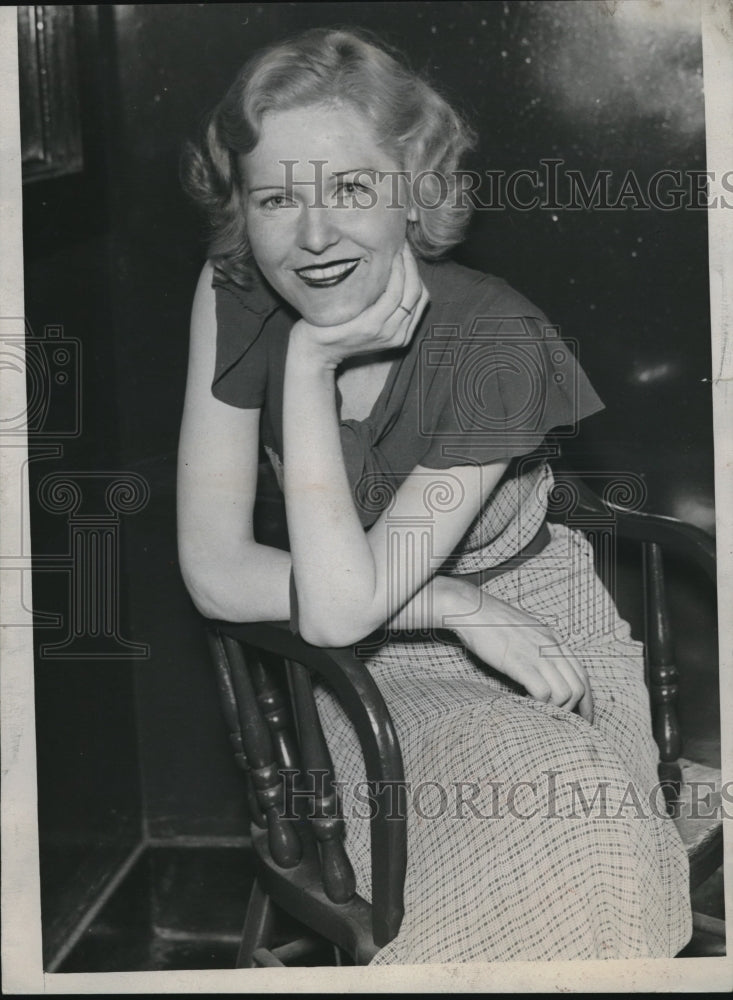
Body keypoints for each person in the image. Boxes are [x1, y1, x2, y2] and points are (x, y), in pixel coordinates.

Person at [177, 27, 692, 962]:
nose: (314, 234)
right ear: (241, 209)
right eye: (277, 198)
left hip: (542, 638)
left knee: (575, 808)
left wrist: (306, 360)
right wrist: (452, 599)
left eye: (349, 188)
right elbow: (222, 576)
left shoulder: (495, 340)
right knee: (552, 823)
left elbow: (330, 599)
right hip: (366, 673)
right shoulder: (234, 296)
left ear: (413, 191)